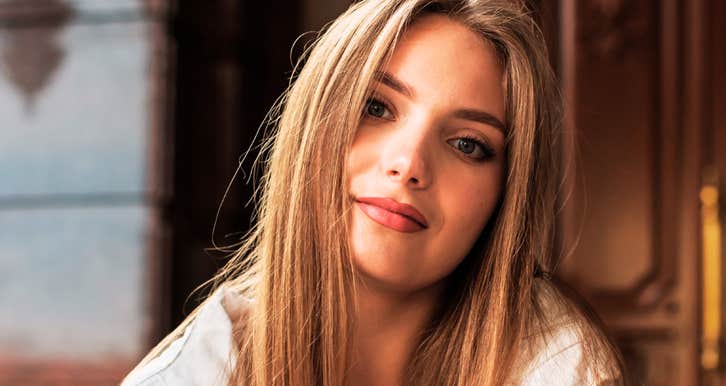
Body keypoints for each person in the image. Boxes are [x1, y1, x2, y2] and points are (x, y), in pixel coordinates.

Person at [122, 0, 625, 385]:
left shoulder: (557, 360)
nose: (408, 165)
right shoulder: (195, 372)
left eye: (468, 144)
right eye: (377, 108)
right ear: (314, 121)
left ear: (504, 196)